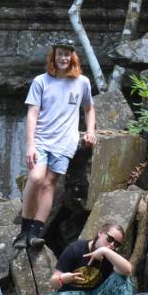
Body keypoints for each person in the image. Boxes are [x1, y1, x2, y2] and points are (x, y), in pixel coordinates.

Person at [20, 41, 96, 249]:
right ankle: (24, 229)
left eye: (67, 55)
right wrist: (30, 145)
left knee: (49, 184)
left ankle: (35, 233)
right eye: (60, 54)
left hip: (65, 143)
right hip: (41, 139)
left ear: (73, 57)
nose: (63, 58)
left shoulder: (82, 82)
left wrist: (90, 131)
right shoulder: (41, 81)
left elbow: (89, 108)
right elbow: (32, 114)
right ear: (53, 57)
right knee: (36, 178)